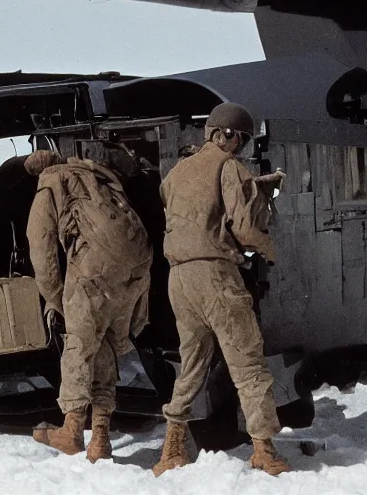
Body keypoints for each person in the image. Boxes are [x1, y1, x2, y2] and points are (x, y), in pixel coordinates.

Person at [152, 102, 290, 476]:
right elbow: (242, 229)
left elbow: (194, 209)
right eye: (240, 140)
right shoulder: (230, 167)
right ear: (226, 135)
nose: (240, 148)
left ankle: (171, 449)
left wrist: (253, 187)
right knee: (247, 363)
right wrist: (267, 246)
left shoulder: (178, 171)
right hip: (215, 275)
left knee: (192, 364)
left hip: (179, 279)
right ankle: (264, 450)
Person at [23, 150, 153, 463]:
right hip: (137, 268)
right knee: (105, 344)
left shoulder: (51, 182)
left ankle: (71, 431)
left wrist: (56, 296)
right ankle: (101, 437)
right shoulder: (97, 176)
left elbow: (39, 243)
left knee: (79, 347)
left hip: (94, 270)